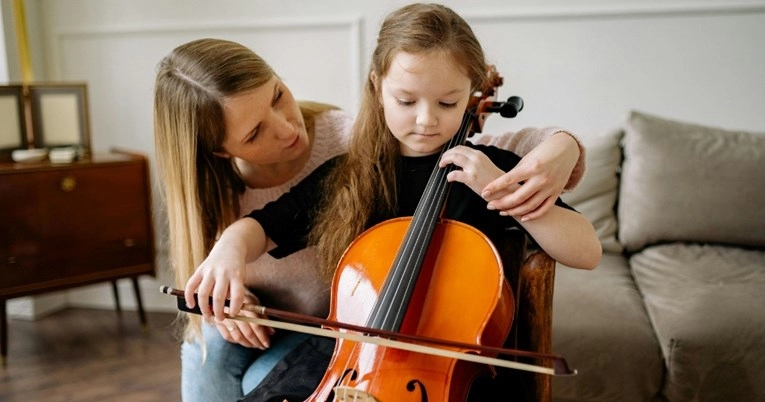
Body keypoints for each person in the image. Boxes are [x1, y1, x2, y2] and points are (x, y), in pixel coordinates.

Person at [154, 33, 586, 401]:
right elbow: (261, 227)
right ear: (221, 151)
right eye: (254, 133)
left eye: (279, 97)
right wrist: (228, 267)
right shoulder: (338, 177)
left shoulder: (361, 143)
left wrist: (558, 149)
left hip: (337, 331)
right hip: (340, 340)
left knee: (252, 380)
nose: (286, 128)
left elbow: (511, 145)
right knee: (206, 345)